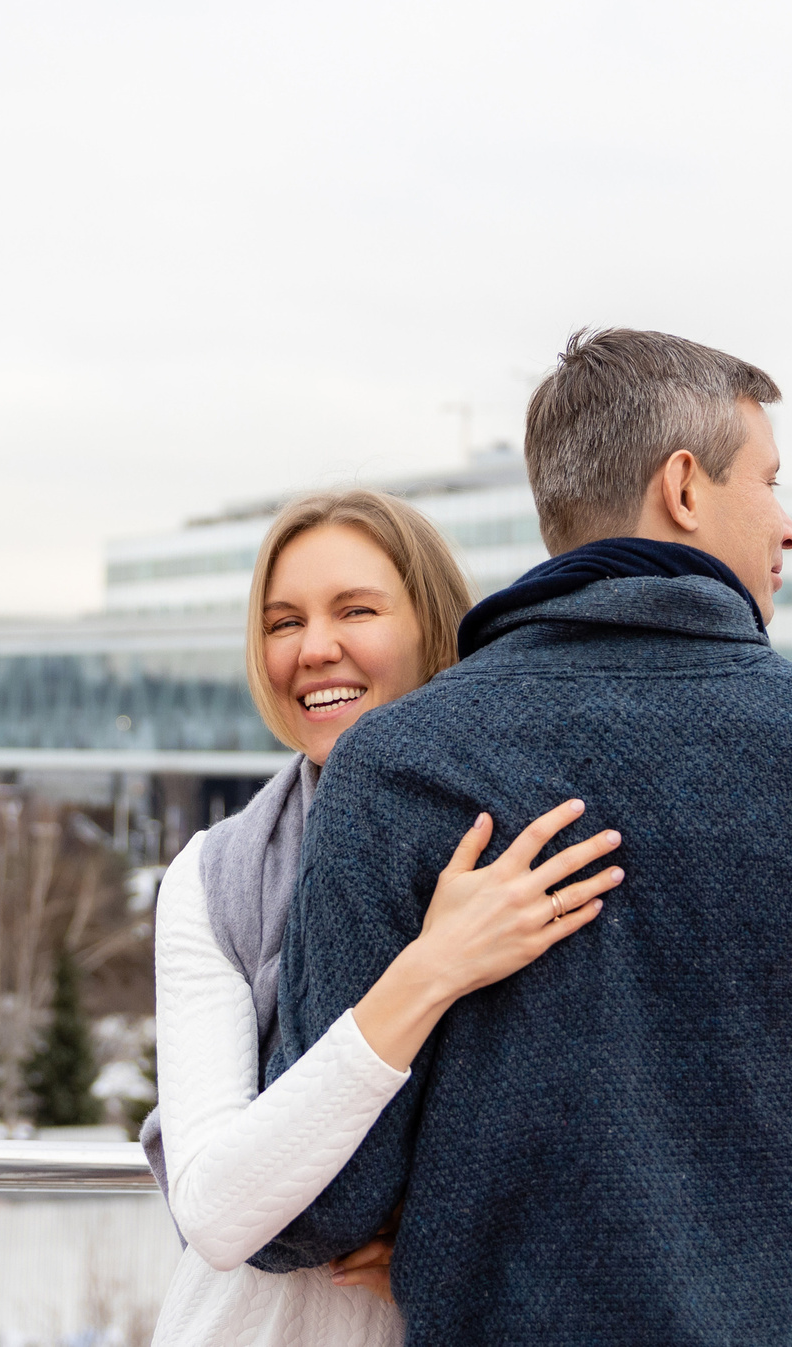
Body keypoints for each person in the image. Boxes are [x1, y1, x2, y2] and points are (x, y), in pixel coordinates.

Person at [255, 329, 792, 1346]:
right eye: (769, 481)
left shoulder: (397, 765)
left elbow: (321, 1201)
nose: (789, 525)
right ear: (683, 488)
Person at [144, 489, 625, 1347]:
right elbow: (217, 1210)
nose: (314, 647)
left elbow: (614, 1143)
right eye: (284, 621)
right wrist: (433, 967)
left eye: (356, 610)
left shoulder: (535, 854)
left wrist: (441, 1238)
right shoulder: (216, 878)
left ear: (434, 626)